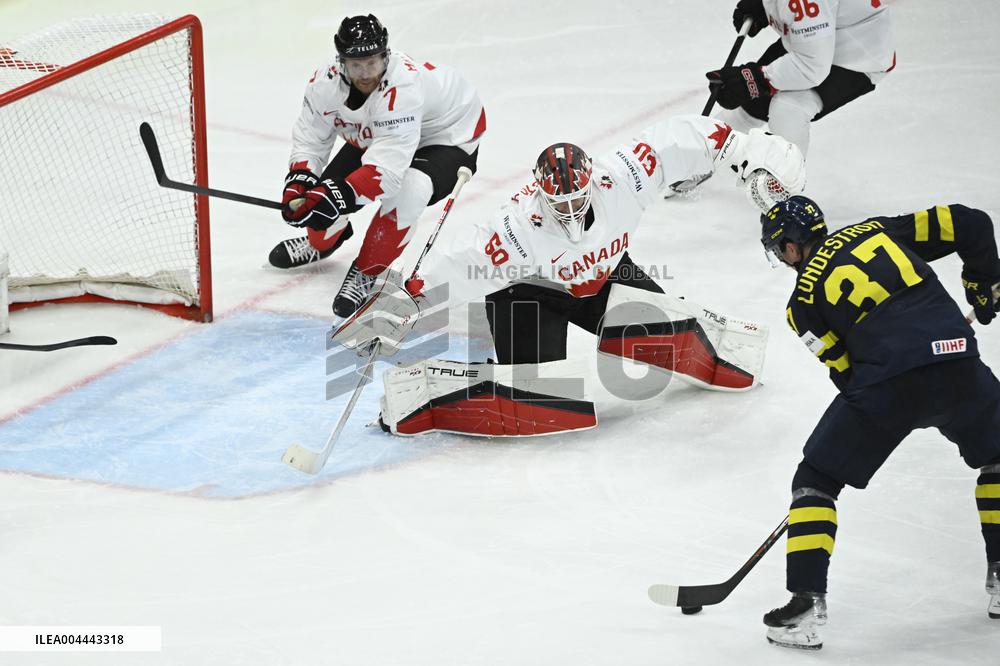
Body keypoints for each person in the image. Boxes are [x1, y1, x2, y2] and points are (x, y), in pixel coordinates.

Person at [332, 116, 806, 436]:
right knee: (538, 400)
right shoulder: (519, 229)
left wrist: (753, 155)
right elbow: (459, 261)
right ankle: (427, 396)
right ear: (540, 195)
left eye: (576, 197)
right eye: (557, 202)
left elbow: (689, 139)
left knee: (665, 333)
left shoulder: (624, 176)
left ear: (591, 179)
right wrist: (405, 304)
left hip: (602, 279)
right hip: (529, 293)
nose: (570, 209)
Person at [757, 195, 1000, 649]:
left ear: (790, 248)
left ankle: (805, 603)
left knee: (816, 480)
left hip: (887, 385)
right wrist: (984, 284)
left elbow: (846, 372)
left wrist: (887, 412)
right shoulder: (877, 231)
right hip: (959, 365)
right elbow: (971, 222)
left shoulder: (800, 305)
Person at [272, 14, 486, 319]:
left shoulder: (403, 89)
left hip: (448, 135)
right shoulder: (323, 85)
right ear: (341, 61)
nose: (366, 73)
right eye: (356, 64)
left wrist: (334, 195)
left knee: (410, 191)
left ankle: (367, 269)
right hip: (385, 134)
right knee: (321, 205)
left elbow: (385, 171)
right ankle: (322, 242)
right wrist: (300, 182)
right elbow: (310, 138)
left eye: (373, 62)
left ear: (385, 55)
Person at [706, 0, 894, 156]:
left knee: (788, 107)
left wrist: (757, 80)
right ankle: (702, 151)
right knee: (752, 103)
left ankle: (782, 183)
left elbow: (812, 67)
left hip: (857, 56)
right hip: (815, 40)